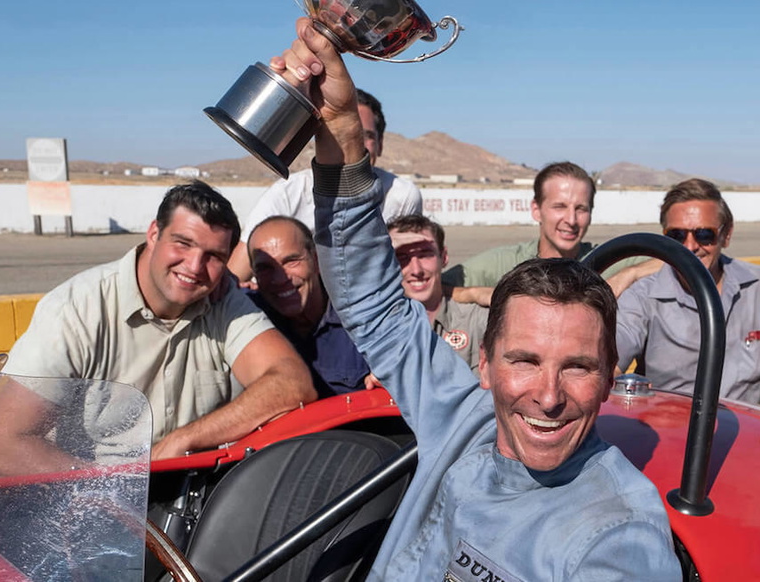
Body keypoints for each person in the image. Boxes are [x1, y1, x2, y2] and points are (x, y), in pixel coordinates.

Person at [275, 18, 680, 580]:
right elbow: (373, 302)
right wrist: (343, 131)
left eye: (578, 367)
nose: (548, 397)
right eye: (525, 360)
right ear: (484, 364)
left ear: (611, 377)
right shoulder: (462, 418)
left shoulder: (617, 536)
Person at [0, 181, 315, 471]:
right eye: (183, 243)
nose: (195, 266)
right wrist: (108, 492)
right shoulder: (77, 308)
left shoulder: (222, 300)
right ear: (154, 234)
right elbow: (0, 446)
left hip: (191, 498)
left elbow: (292, 384)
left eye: (214, 256)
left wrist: (184, 439)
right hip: (87, 499)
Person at [226, 87, 422, 284]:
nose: (353, 145)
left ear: (380, 144)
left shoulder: (401, 196)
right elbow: (234, 278)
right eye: (340, 135)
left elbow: (410, 271)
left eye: (364, 136)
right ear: (320, 140)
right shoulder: (288, 195)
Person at [615, 178, 760, 403]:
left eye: (704, 235)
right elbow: (609, 364)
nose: (690, 246)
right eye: (676, 236)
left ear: (726, 235)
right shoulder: (643, 297)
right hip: (671, 422)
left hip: (745, 423)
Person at [441, 161, 654, 295]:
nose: (571, 220)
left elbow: (668, 258)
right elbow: (437, 287)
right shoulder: (504, 263)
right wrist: (475, 294)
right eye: (559, 207)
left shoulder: (604, 261)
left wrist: (630, 274)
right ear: (536, 210)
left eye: (581, 208)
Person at [246, 215, 376, 396]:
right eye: (265, 268)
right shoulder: (248, 315)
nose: (280, 279)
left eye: (291, 261)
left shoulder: (366, 315)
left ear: (316, 261)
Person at [388, 214, 488, 373]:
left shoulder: (476, 321)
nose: (416, 270)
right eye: (402, 257)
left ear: (444, 257)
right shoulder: (376, 326)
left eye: (425, 254)